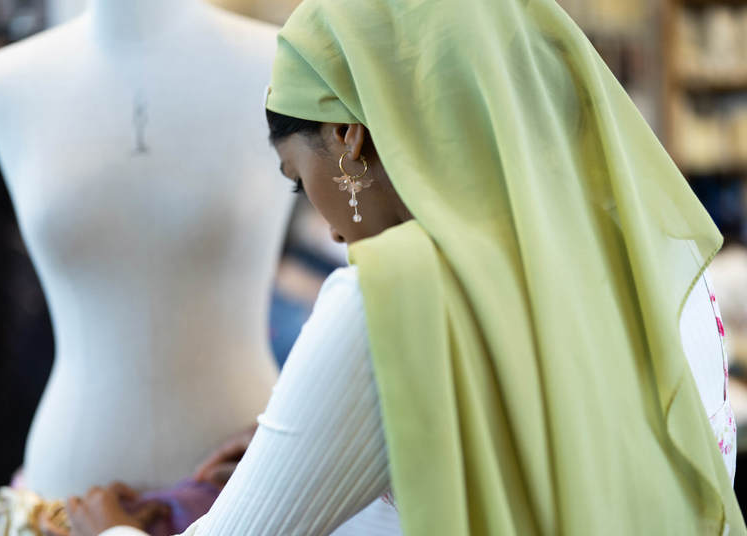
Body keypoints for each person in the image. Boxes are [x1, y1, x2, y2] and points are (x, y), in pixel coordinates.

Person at [57, 0, 746, 533]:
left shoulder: (386, 298)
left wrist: (109, 530)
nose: (325, 222)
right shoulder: (668, 275)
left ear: (349, 139)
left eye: (299, 179)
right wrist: (313, 456)